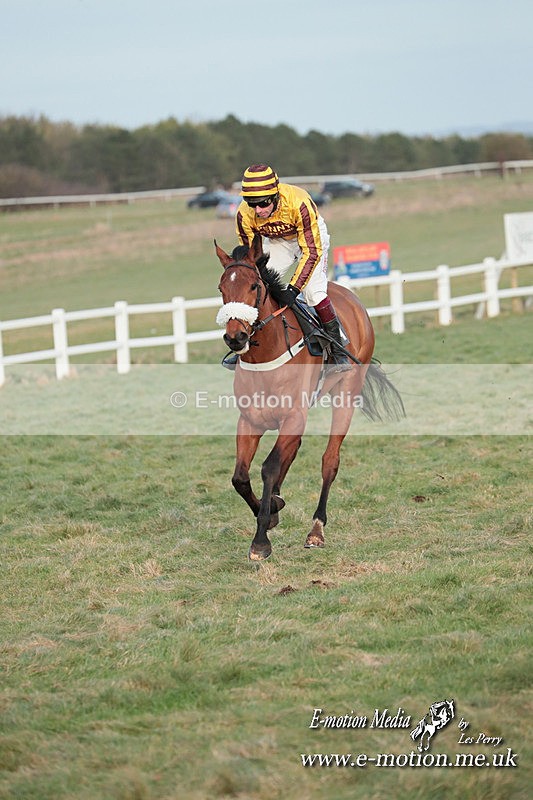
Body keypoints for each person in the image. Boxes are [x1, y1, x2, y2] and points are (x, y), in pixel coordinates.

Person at [234, 163, 351, 371]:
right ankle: (245, 347)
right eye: (252, 204)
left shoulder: (299, 202)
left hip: (310, 239)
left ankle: (337, 348)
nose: (258, 210)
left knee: (313, 293)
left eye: (262, 203)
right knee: (257, 286)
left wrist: (293, 289)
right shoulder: (244, 214)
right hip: (279, 242)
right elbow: (250, 260)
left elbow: (311, 252)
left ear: (275, 195)